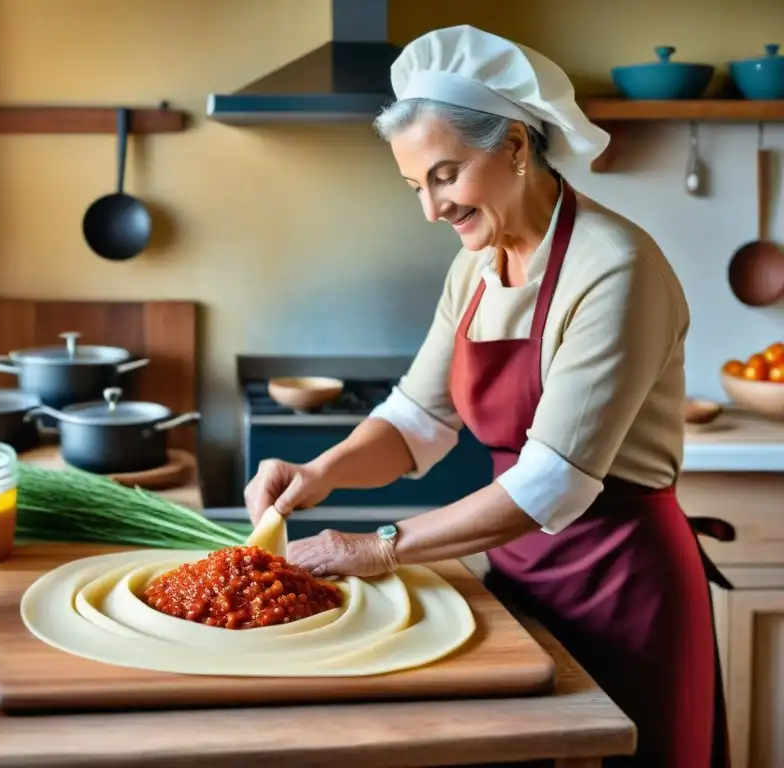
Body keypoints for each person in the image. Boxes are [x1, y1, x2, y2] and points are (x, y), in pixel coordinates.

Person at [243, 25, 733, 768]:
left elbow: (551, 484)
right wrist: (326, 471)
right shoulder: (475, 269)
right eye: (415, 186)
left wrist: (379, 549)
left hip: (624, 584)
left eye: (446, 175)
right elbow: (416, 420)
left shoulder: (615, 268)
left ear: (513, 144)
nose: (431, 209)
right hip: (519, 577)